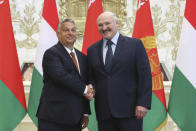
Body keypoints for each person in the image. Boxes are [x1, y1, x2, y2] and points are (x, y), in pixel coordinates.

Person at [87, 12, 152, 131]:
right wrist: (91, 86)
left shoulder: (135, 45)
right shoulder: (91, 50)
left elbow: (145, 76)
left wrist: (143, 103)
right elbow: (92, 77)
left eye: (107, 23)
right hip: (104, 113)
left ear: (117, 24)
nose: (104, 28)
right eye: (100, 25)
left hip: (131, 111)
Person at [36, 18, 94, 131]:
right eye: (66, 30)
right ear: (58, 34)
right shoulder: (52, 54)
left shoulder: (82, 57)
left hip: (75, 118)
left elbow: (84, 81)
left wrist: (85, 112)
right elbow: (61, 76)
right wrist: (86, 90)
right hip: (53, 118)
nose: (70, 33)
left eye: (73, 30)